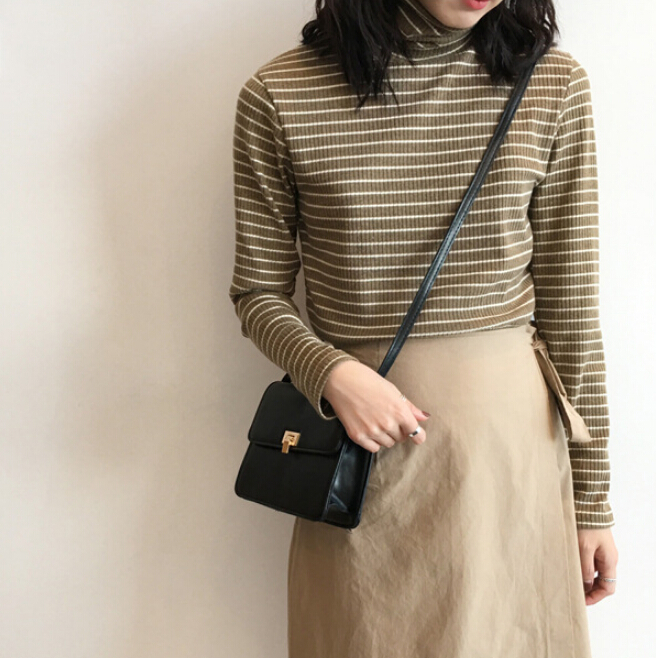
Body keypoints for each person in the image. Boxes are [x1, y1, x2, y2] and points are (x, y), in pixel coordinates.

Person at [228, 0, 619, 656]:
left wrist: (592, 498)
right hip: (360, 461)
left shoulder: (551, 84)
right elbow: (257, 292)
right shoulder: (281, 94)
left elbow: (572, 308)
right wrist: (331, 373)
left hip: (508, 466)